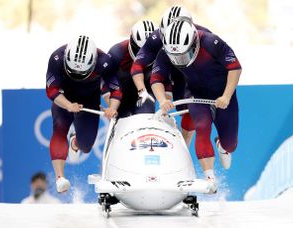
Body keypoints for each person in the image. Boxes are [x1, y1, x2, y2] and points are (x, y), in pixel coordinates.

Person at [150, 19, 242, 194]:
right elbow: (156, 78)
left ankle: (223, 145)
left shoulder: (211, 42)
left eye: (183, 55)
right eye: (175, 57)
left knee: (231, 144)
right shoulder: (166, 50)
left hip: (223, 94)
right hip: (195, 93)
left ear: (193, 43)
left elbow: (235, 67)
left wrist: (227, 96)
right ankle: (210, 177)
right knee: (201, 126)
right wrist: (162, 99)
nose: (180, 60)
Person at [46, 35, 122, 193]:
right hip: (64, 97)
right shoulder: (56, 57)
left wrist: (112, 107)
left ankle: (75, 142)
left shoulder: (104, 61)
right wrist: (68, 105)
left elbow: (115, 89)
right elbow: (51, 91)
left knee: (86, 146)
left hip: (88, 99)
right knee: (59, 128)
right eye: (73, 72)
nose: (77, 76)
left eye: (82, 73)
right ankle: (60, 178)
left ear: (93, 62)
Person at [130, 6, 212, 147]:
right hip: (166, 68)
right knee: (166, 101)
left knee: (189, 113)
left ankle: (183, 149)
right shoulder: (156, 38)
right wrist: (141, 90)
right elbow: (137, 65)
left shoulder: (205, 36)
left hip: (193, 70)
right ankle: (163, 127)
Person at [101, 20, 158, 117]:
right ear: (132, 41)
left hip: (144, 93)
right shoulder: (117, 52)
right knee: (121, 117)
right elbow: (105, 79)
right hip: (120, 94)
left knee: (145, 115)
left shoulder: (161, 52)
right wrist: (111, 107)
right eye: (139, 51)